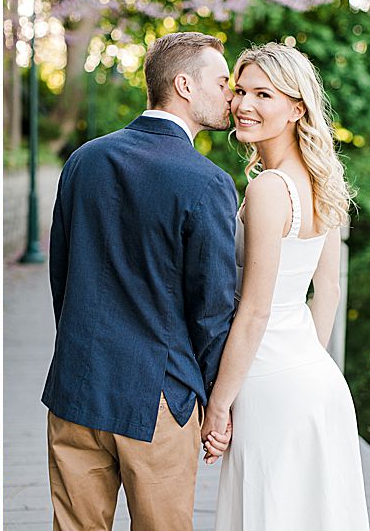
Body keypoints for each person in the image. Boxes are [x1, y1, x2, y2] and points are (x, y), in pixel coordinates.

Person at [43, 31, 239, 529]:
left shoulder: (84, 159)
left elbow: (61, 274)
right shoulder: (207, 180)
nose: (230, 95)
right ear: (184, 85)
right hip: (157, 396)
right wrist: (215, 401)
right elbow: (213, 306)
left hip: (77, 386)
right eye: (221, 82)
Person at [203, 43, 368, 529]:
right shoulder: (324, 181)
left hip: (267, 385)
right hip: (316, 381)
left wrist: (218, 406)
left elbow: (253, 312)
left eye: (264, 94)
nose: (244, 105)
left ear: (298, 108)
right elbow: (329, 291)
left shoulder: (269, 188)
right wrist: (304, 361)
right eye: (240, 91)